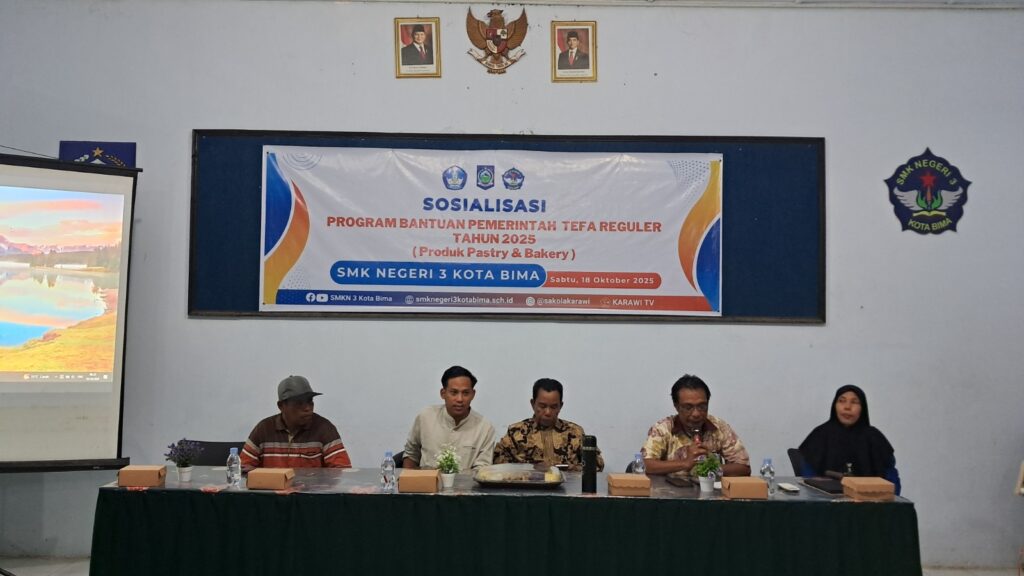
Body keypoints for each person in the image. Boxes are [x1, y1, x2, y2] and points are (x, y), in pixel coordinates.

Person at [641, 374, 751, 476]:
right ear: (676, 406)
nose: (696, 414)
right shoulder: (663, 429)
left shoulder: (719, 427)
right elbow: (645, 465)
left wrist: (711, 466)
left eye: (702, 406)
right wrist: (685, 463)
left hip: (710, 489)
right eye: (688, 407)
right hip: (668, 489)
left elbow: (744, 468)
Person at [798, 385, 901, 493]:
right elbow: (808, 480)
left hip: (869, 500)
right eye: (842, 401)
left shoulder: (874, 437)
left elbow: (892, 481)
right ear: (834, 405)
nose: (847, 407)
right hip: (825, 500)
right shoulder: (820, 435)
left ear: (863, 408)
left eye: (854, 402)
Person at [240, 375, 352, 470]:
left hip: (311, 490)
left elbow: (342, 471)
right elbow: (243, 469)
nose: (307, 408)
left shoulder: (324, 428)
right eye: (299, 403)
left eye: (310, 401)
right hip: (272, 489)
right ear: (281, 406)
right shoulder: (264, 429)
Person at [493, 378, 604, 471]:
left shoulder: (575, 432)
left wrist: (563, 468)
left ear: (561, 406)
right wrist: (528, 469)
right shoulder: (516, 432)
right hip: (528, 487)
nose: (548, 412)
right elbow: (497, 463)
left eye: (553, 407)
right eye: (542, 406)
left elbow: (597, 465)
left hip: (567, 487)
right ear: (533, 404)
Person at [403, 365, 496, 471]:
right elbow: (411, 454)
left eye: (465, 393)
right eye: (454, 392)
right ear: (443, 393)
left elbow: (482, 470)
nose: (460, 399)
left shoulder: (485, 428)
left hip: (466, 482)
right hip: (427, 480)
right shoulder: (426, 417)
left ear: (473, 394)